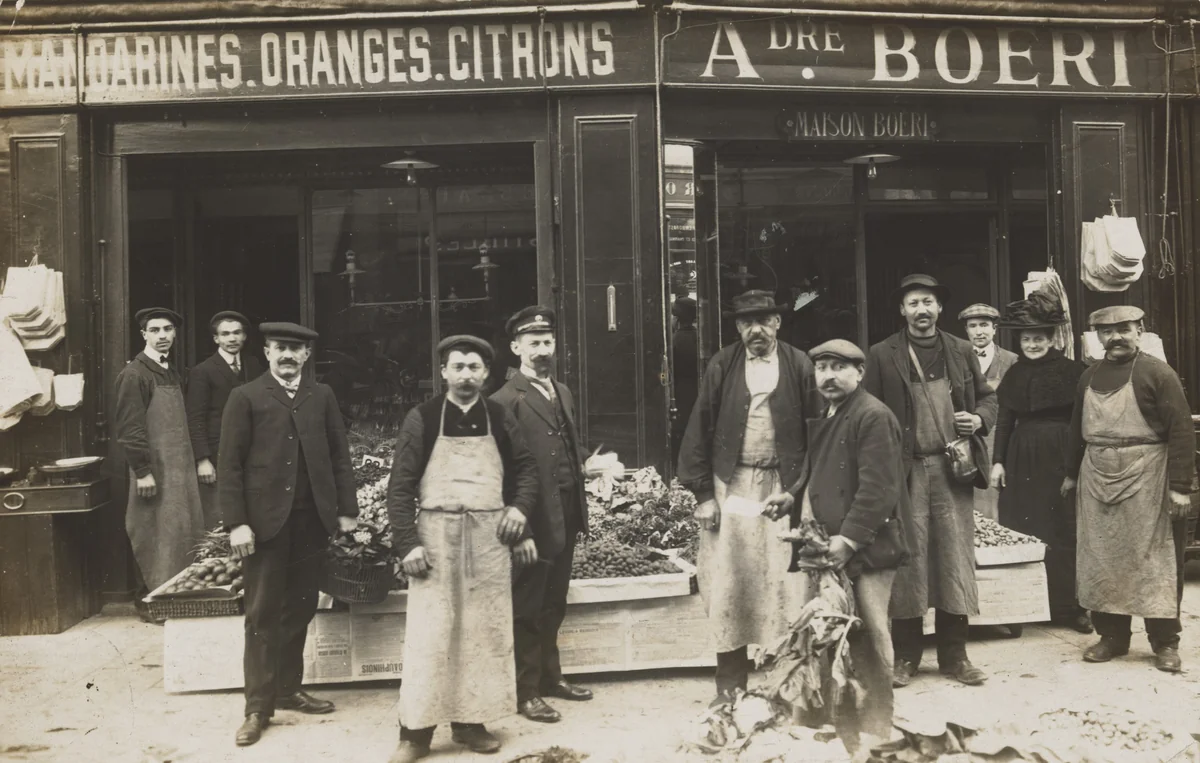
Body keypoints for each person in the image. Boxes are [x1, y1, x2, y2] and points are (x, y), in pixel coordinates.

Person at [387, 335, 540, 763]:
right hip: (435, 535)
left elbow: (526, 469)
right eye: (458, 367)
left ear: (487, 373)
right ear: (444, 372)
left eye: (475, 367)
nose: (467, 375)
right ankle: (415, 732)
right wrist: (408, 544)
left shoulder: (499, 414)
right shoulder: (423, 417)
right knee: (430, 631)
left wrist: (520, 511)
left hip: (489, 536)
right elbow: (399, 487)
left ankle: (472, 722)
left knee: (482, 630)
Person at [219, 322, 359, 747]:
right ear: (266, 352)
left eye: (295, 350)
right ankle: (257, 708)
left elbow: (339, 455)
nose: (287, 355)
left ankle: (288, 688)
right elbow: (230, 465)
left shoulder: (322, 396)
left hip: (311, 521)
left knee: (300, 607)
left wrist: (347, 511)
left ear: (306, 356)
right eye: (280, 348)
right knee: (262, 614)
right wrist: (237, 522)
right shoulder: (245, 397)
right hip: (264, 526)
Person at [677, 289, 819, 706]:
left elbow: (818, 430)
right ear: (738, 327)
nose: (756, 329)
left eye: (763, 320)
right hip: (732, 483)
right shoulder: (723, 364)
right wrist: (704, 494)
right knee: (729, 580)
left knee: (789, 583)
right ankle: (730, 679)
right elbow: (699, 426)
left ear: (778, 323)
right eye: (746, 322)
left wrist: (801, 490)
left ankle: (787, 676)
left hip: (785, 485)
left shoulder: (800, 364)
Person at [765, 339, 907, 754]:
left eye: (839, 367)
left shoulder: (872, 415)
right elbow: (818, 468)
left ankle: (877, 723)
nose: (827, 375)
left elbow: (880, 489)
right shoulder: (830, 412)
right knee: (828, 632)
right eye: (821, 367)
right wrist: (792, 496)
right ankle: (834, 717)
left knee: (869, 630)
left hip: (864, 544)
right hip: (825, 544)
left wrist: (848, 539)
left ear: (859, 373)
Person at [864, 274, 996, 689]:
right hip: (905, 473)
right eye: (913, 303)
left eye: (929, 302)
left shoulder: (960, 350)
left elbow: (990, 398)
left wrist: (977, 419)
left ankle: (955, 656)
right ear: (901, 311)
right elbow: (866, 410)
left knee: (954, 558)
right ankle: (905, 656)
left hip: (951, 469)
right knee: (908, 559)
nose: (921, 310)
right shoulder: (882, 354)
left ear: (939, 308)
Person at [1063, 305, 1196, 673]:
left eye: (1124, 328)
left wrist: (1181, 486)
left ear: (1140, 330)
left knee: (1155, 560)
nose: (1116, 337)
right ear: (1097, 337)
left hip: (1149, 475)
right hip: (1095, 474)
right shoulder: (1088, 376)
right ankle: (1112, 638)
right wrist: (1071, 473)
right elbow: (1077, 427)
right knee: (1102, 558)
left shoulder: (1158, 373)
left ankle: (1165, 642)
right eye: (1107, 331)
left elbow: (1182, 431)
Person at [492, 307, 593, 725]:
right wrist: (523, 531)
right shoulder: (502, 401)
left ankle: (551, 679)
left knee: (554, 603)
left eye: (547, 341)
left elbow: (566, 447)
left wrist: (589, 463)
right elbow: (502, 473)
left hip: (566, 512)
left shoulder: (562, 391)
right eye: (533, 342)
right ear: (515, 347)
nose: (542, 350)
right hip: (532, 520)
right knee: (528, 607)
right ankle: (525, 691)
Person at [989, 293, 1090, 633]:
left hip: (1061, 455)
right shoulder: (1014, 374)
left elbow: (1081, 421)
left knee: (1064, 527)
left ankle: (1070, 608)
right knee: (1022, 527)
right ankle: (1023, 608)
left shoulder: (1073, 371)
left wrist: (1074, 466)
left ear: (1051, 339)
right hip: (1021, 459)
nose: (1032, 344)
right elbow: (1004, 420)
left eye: (1038, 339)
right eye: (1026, 339)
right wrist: (998, 461)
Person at [114, 307, 205, 613]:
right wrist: (142, 471)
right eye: (155, 330)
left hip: (179, 468)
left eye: (168, 329)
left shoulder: (170, 370)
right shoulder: (134, 374)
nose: (163, 335)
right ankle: (151, 604)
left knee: (178, 533)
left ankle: (174, 602)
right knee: (152, 531)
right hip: (155, 471)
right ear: (144, 335)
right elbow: (130, 428)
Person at [186, 310, 265, 529]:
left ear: (245, 336)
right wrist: (203, 460)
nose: (232, 338)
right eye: (226, 334)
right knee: (222, 513)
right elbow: (195, 418)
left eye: (237, 333)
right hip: (217, 452)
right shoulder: (203, 371)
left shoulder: (254, 365)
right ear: (216, 339)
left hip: (253, 451)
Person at [959, 303, 1018, 521]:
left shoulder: (1011, 361)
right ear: (966, 330)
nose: (979, 331)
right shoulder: (956, 359)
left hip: (998, 440)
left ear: (994, 328)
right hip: (968, 439)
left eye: (984, 325)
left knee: (997, 502)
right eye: (972, 326)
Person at [672, 296, 700, 464]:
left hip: (680, 388)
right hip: (695, 387)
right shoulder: (698, 337)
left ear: (677, 318)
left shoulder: (676, 340)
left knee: (680, 426)